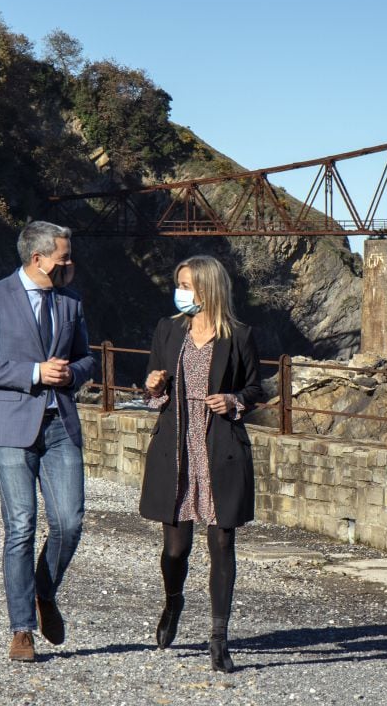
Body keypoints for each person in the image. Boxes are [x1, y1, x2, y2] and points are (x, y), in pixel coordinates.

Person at [0, 220, 95, 663]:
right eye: (64, 257)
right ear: (38, 259)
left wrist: (71, 373)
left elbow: (86, 358)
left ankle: (43, 590)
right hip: (11, 428)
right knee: (20, 526)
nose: (70, 263)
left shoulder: (71, 300)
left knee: (69, 522)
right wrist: (35, 373)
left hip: (61, 427)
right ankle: (21, 629)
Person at [139, 254, 263, 673]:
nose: (182, 291)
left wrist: (234, 400)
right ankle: (173, 602)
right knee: (176, 549)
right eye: (180, 284)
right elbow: (153, 384)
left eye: (188, 284)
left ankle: (218, 639)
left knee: (222, 543)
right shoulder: (168, 328)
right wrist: (153, 384)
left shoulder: (240, 335)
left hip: (220, 447)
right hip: (176, 446)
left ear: (209, 288)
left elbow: (255, 388)